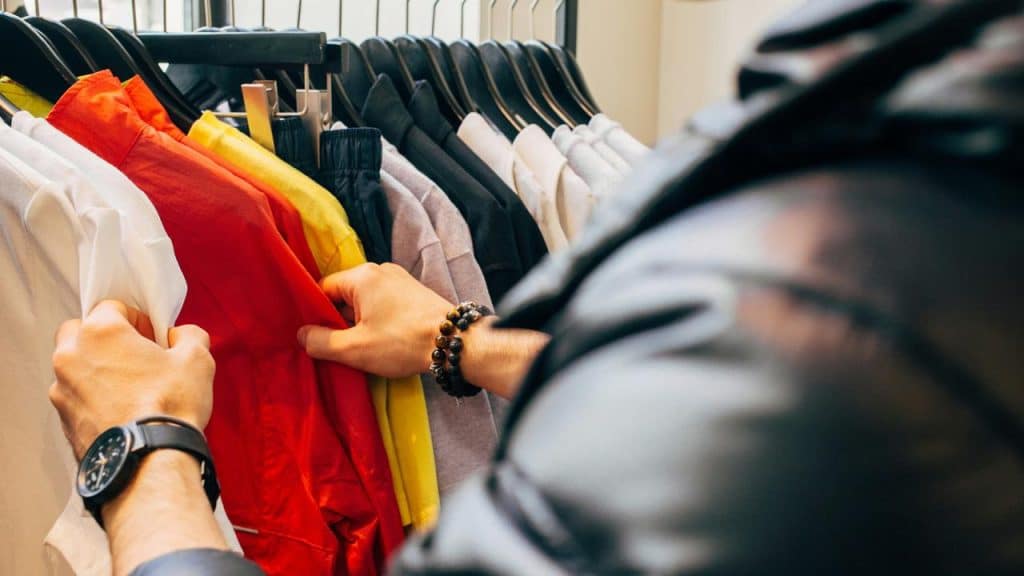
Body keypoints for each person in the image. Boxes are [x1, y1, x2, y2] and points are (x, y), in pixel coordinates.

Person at [47, 1, 1024, 575]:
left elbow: (771, 383)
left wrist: (141, 458)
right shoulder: (932, 208)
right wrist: (461, 340)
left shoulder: (853, 251)